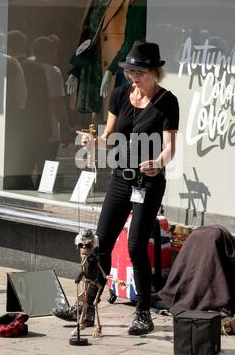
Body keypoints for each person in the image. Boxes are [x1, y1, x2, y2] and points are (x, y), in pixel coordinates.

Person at [54, 41, 179, 335]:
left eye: (138, 72)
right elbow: (109, 135)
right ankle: (85, 308)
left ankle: (143, 312)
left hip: (147, 183)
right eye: (130, 71)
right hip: (120, 179)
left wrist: (159, 162)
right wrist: (93, 142)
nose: (133, 77)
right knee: (101, 244)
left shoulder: (166, 101)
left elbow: (171, 147)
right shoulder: (120, 94)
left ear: (154, 72)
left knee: (136, 245)